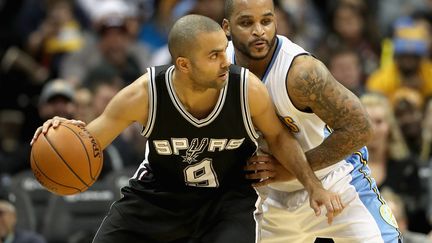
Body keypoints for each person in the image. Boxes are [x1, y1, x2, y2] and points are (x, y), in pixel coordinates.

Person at [31, 15, 342, 243]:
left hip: (226, 203)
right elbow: (91, 140)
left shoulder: (246, 90)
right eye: (214, 55)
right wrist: (63, 133)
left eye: (224, 50)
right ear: (183, 65)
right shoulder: (145, 94)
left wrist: (313, 185)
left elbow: (278, 137)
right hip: (158, 197)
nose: (226, 61)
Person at [222, 0, 401, 242]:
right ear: (227, 27)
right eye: (246, 23)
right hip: (269, 197)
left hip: (335, 184)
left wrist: (290, 168)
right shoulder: (219, 67)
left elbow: (361, 128)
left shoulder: (301, 73)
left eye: (266, 21)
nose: (259, 31)